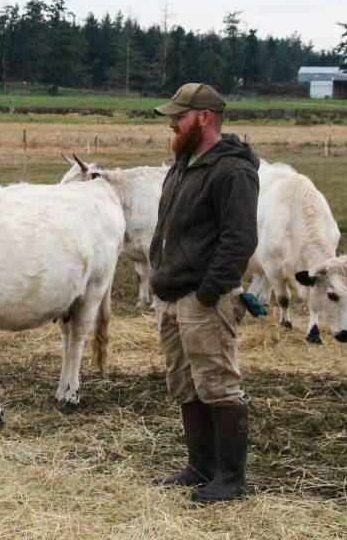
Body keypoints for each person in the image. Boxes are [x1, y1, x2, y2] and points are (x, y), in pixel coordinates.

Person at [149, 83, 259, 503]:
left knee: (218, 383)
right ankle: (200, 468)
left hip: (203, 298)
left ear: (205, 117)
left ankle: (231, 479)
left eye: (179, 115)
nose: (172, 122)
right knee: (186, 382)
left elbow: (239, 240)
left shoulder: (232, 171)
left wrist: (210, 293)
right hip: (173, 294)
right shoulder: (184, 163)